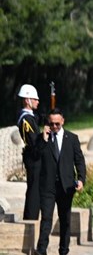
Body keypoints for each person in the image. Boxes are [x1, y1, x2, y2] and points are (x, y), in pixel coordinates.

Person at [31, 108, 86, 255]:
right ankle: (41, 250)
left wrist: (81, 179)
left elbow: (79, 161)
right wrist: (43, 139)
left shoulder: (72, 138)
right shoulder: (43, 138)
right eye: (51, 123)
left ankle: (63, 252)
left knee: (65, 220)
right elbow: (35, 156)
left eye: (57, 124)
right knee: (46, 217)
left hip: (66, 186)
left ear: (62, 122)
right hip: (47, 185)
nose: (54, 127)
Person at [16, 84, 42, 221]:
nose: (37, 101)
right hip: (33, 157)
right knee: (34, 190)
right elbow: (33, 141)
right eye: (34, 99)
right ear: (27, 100)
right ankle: (31, 219)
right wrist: (44, 138)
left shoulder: (30, 117)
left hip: (33, 156)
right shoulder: (26, 119)